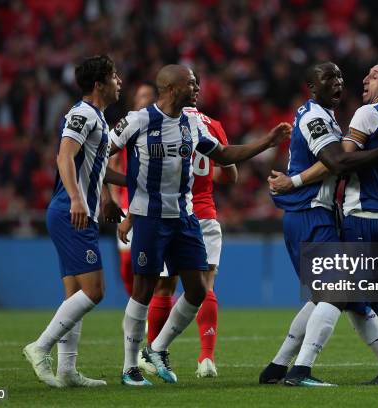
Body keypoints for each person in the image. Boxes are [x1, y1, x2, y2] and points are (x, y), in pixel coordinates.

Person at [109, 64, 291, 386]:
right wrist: (110, 196)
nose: (197, 88)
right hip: (149, 218)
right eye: (191, 83)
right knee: (143, 290)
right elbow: (99, 155)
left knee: (196, 290)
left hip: (185, 217)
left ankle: (157, 348)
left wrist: (267, 142)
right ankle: (129, 368)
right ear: (171, 88)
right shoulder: (138, 120)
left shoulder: (192, 122)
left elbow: (223, 154)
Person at [268, 56, 378, 385]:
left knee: (338, 294)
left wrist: (293, 181)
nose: (356, 81)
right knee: (348, 294)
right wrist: (294, 183)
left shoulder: (353, 115)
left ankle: (290, 368)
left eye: (373, 76)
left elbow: (337, 162)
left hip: (349, 214)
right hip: (352, 214)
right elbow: (336, 161)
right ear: (311, 87)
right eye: (330, 78)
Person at [23, 55, 126, 388]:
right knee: (94, 292)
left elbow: (96, 168)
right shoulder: (82, 114)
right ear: (99, 84)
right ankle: (40, 347)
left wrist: (131, 184)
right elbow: (64, 155)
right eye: (113, 76)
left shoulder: (98, 118)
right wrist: (78, 199)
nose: (118, 81)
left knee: (74, 297)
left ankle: (67, 371)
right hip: (72, 211)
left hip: (76, 211)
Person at [138, 74, 238, 379]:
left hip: (170, 211)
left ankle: (155, 352)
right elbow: (230, 175)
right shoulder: (212, 124)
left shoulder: (166, 120)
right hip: (205, 213)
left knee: (163, 286)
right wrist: (208, 180)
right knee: (206, 286)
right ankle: (206, 358)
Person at [109, 81, 158, 296]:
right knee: (127, 262)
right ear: (135, 101)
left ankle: (151, 307)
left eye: (149, 95)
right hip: (127, 202)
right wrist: (112, 198)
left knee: (151, 261)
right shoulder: (127, 126)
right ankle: (136, 306)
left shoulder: (161, 127)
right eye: (142, 95)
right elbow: (112, 164)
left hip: (154, 204)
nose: (146, 99)